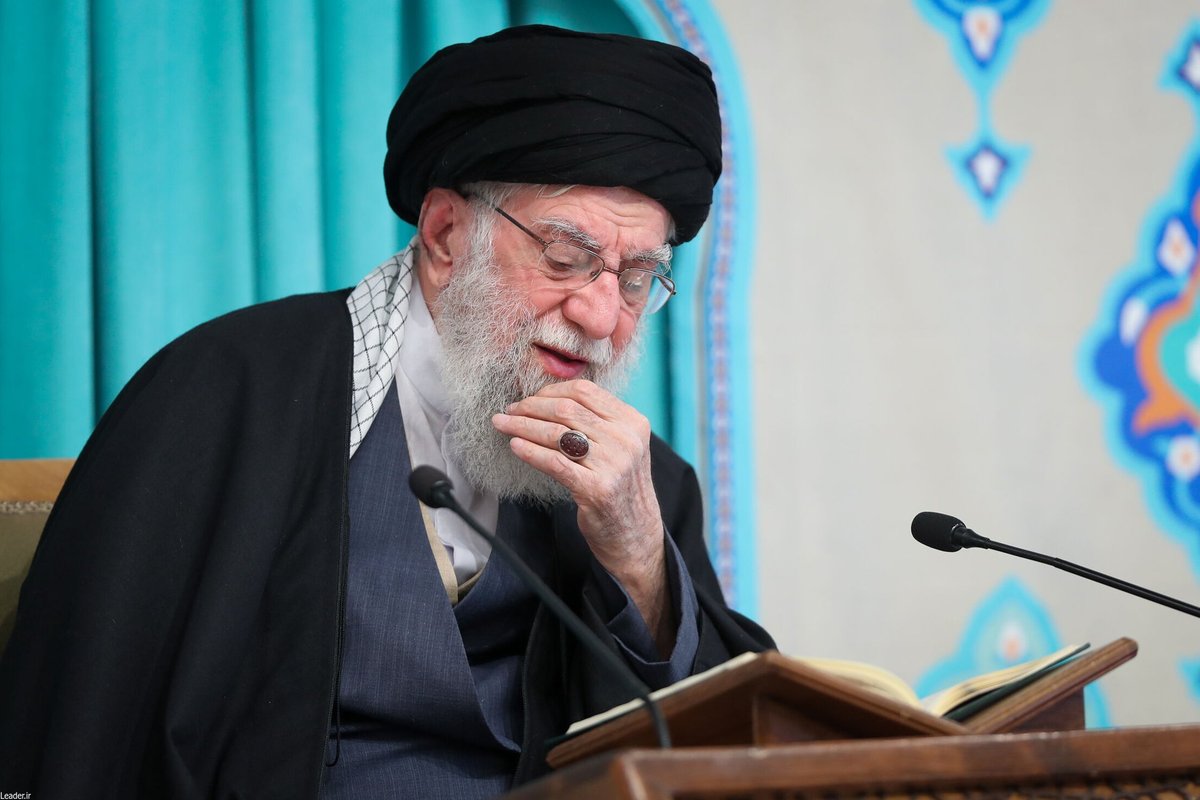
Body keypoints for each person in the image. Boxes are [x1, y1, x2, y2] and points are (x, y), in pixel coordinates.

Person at [0, 24, 773, 799]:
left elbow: (716, 748)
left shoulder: (639, 481)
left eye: (636, 280)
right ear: (445, 234)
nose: (602, 318)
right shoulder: (227, 392)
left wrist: (638, 558)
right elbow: (87, 715)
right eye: (566, 259)